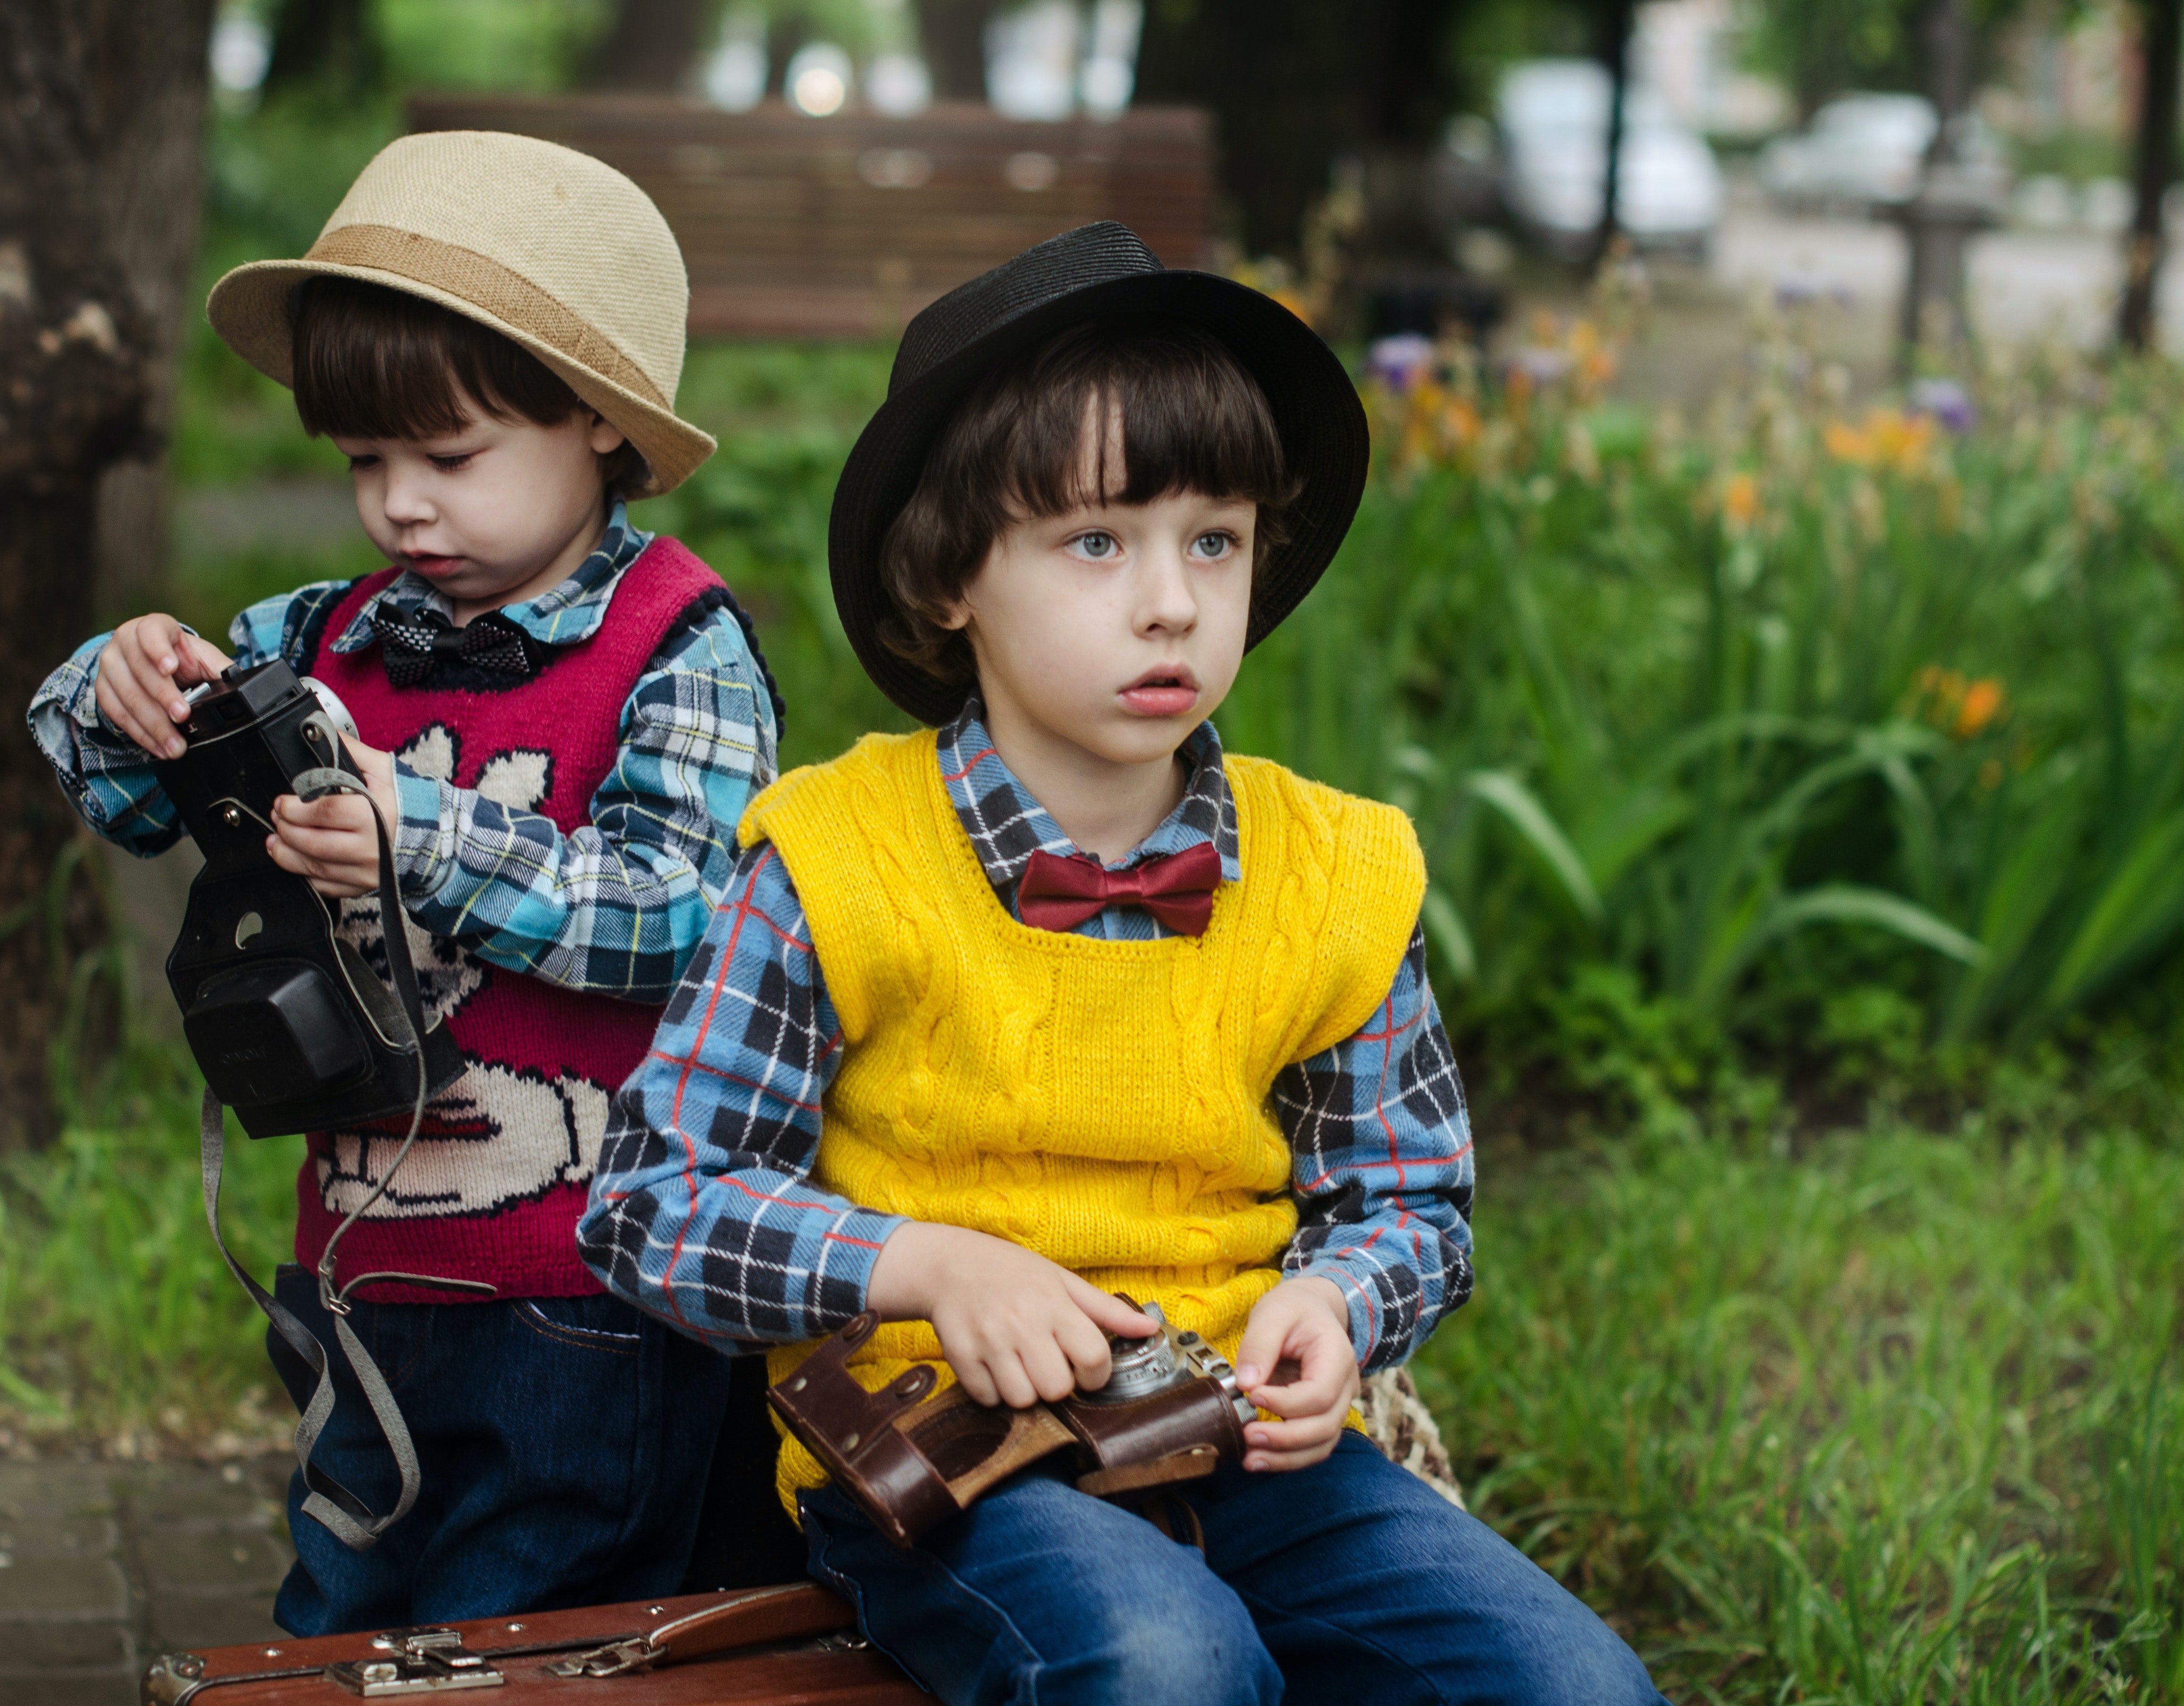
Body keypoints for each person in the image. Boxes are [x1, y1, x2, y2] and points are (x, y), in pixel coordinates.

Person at [578, 223, 1664, 1705]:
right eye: (1097, 541)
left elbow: (1414, 1197)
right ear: (949, 574)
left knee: (1574, 1689)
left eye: (1211, 540)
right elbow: (653, 1202)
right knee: (1167, 1668)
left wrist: (1338, 1307)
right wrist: (925, 1265)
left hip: (1240, 1438)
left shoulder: (1332, 871)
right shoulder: (839, 860)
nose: (1171, 602)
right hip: (948, 1455)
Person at [27, 133, 777, 1636]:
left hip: (589, 1296)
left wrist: (419, 838)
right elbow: (114, 794)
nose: (401, 509)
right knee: (342, 1612)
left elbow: (687, 918)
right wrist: (119, 692)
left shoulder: (678, 650)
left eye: (450, 459)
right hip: (361, 1270)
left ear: (601, 427)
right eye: (367, 462)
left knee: (533, 1634)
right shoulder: (329, 634)